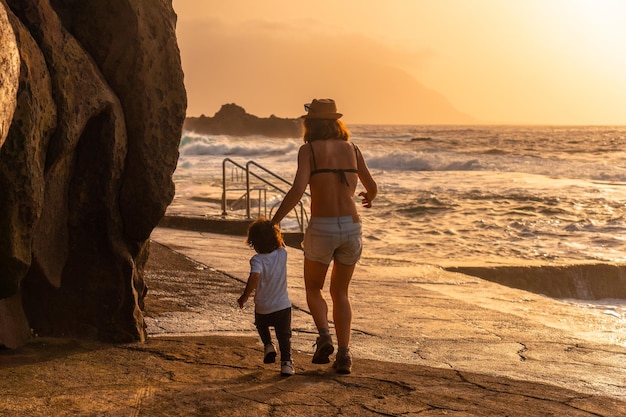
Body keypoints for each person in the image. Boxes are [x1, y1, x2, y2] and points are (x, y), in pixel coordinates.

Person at [270, 98, 378, 374]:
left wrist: (275, 220)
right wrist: (367, 197)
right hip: (352, 227)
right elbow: (372, 187)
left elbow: (297, 191)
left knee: (313, 288)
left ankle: (324, 337)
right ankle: (344, 354)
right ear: (336, 122)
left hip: (322, 227)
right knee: (340, 292)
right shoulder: (353, 149)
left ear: (312, 124)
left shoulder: (309, 151)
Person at [237, 218, 294, 376]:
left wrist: (245, 296)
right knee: (284, 335)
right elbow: (281, 243)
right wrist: (274, 226)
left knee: (261, 324)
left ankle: (268, 345)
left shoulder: (257, 259)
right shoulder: (282, 253)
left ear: (253, 243)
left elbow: (254, 276)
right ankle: (286, 364)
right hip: (282, 306)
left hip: (263, 306)